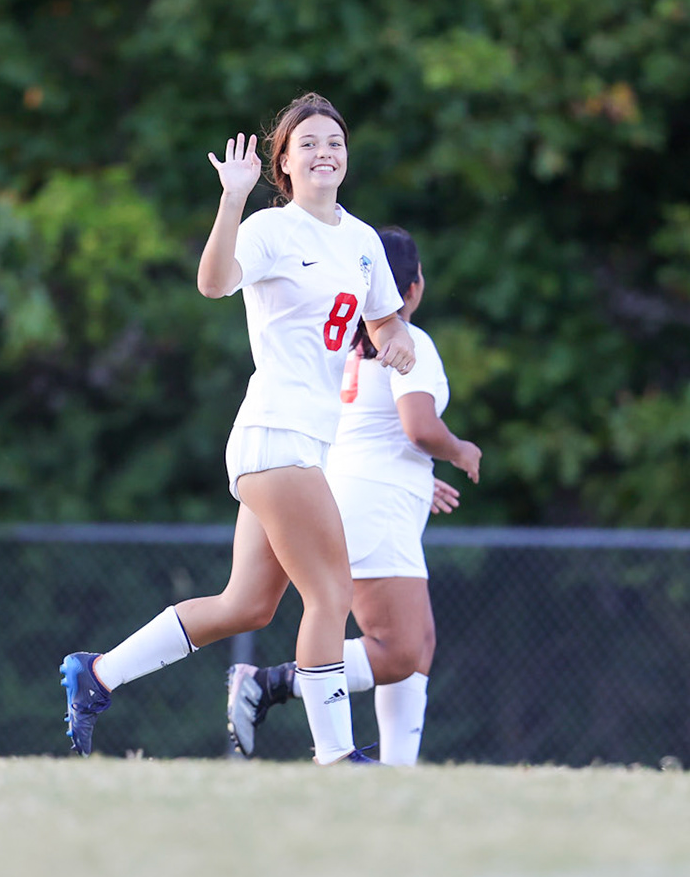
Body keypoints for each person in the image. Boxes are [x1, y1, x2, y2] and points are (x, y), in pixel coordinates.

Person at [59, 92, 415, 765]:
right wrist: (232, 199)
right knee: (330, 594)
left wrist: (395, 343)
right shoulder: (270, 228)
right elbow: (213, 282)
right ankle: (337, 757)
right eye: (306, 143)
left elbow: (386, 322)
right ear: (283, 160)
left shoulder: (363, 241)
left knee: (246, 605)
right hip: (274, 433)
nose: (323, 152)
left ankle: (95, 675)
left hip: (303, 441)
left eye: (333, 142)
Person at [224, 226, 480, 766]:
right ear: (410, 287)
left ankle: (397, 768)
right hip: (374, 506)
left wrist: (417, 476)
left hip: (356, 491)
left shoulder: (340, 347)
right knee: (401, 649)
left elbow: (367, 432)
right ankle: (270, 683)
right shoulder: (409, 340)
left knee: (419, 644)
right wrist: (457, 450)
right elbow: (417, 427)